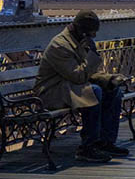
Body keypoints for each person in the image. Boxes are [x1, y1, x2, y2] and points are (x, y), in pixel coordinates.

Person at [35, 10, 128, 164]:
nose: (94, 37)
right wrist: (91, 54)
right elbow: (78, 76)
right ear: (81, 31)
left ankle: (106, 142)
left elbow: (87, 74)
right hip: (52, 92)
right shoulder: (60, 45)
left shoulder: (78, 41)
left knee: (113, 91)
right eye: (91, 33)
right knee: (94, 92)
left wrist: (110, 80)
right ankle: (87, 147)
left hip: (69, 87)